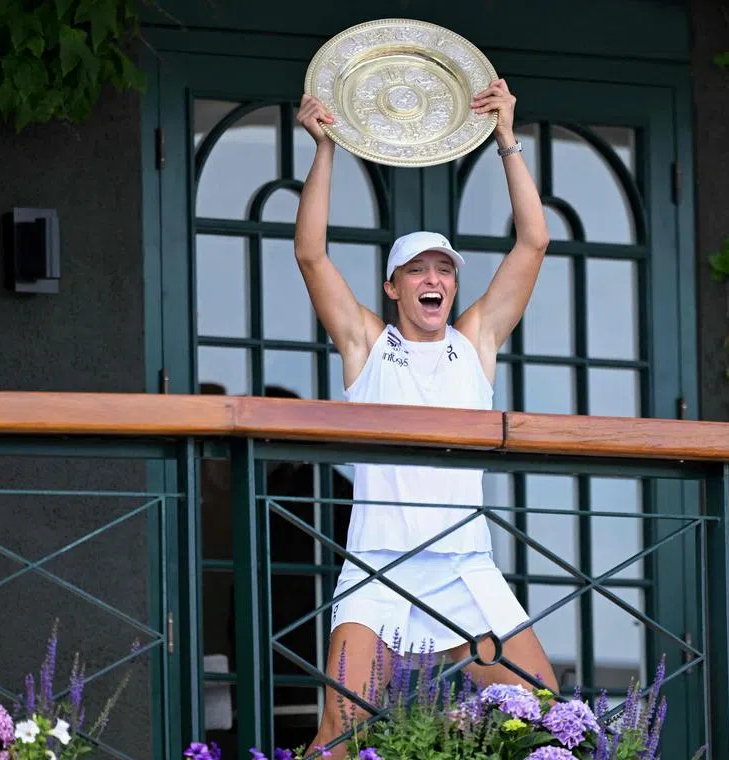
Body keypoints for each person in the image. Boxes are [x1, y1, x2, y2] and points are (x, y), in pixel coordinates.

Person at [293, 79, 556, 756]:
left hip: (466, 567)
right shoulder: (366, 343)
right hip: (378, 566)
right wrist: (324, 150)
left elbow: (532, 244)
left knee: (546, 715)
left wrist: (506, 142)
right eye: (416, 269)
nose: (432, 277)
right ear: (393, 286)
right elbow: (311, 254)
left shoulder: (475, 343)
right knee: (337, 735)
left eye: (443, 267)